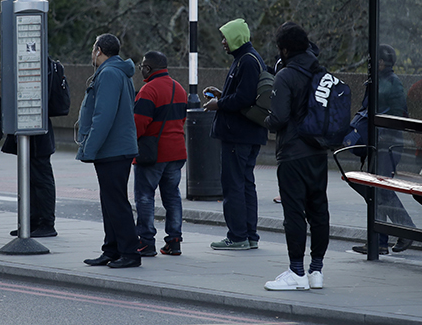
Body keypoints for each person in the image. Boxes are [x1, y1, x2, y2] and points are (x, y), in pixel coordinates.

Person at [263, 21, 328, 291]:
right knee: (319, 211)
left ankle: (297, 272)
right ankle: (316, 271)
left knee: (294, 213)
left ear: (285, 50)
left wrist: (265, 120)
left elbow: (278, 118)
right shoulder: (320, 72)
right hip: (318, 153)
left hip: (292, 154)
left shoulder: (285, 76)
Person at [202, 19, 267, 251]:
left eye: (226, 38)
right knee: (246, 184)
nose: (223, 42)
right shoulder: (249, 58)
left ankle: (237, 236)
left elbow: (244, 98)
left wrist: (218, 104)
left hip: (238, 135)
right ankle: (249, 236)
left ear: (236, 38)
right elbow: (244, 94)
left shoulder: (246, 61)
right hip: (248, 134)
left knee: (234, 185)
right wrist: (222, 94)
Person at [77, 34, 141, 269]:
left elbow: (103, 116)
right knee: (109, 201)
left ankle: (130, 253)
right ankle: (112, 249)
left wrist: (89, 148)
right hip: (116, 148)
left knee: (116, 202)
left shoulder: (109, 74)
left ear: (99, 50)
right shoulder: (115, 72)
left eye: (93, 48)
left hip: (113, 149)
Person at [352, 44, 415, 255]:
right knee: (377, 191)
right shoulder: (378, 81)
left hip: (387, 144)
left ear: (380, 62)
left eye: (372, 60)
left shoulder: (391, 83)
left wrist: (383, 134)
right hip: (380, 142)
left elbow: (398, 114)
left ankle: (404, 230)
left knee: (381, 191)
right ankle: (380, 240)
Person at [2, 56, 70, 238]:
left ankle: (46, 223)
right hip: (32, 129)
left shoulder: (40, 66)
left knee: (41, 179)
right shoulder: (40, 65)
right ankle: (32, 221)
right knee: (31, 179)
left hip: (37, 130)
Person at [133, 51, 187, 256]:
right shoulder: (179, 88)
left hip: (153, 154)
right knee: (172, 196)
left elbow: (139, 123)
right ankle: (174, 241)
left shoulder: (148, 90)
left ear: (148, 68)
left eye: (142, 67)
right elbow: (182, 119)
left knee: (145, 196)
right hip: (177, 151)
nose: (141, 70)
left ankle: (146, 241)